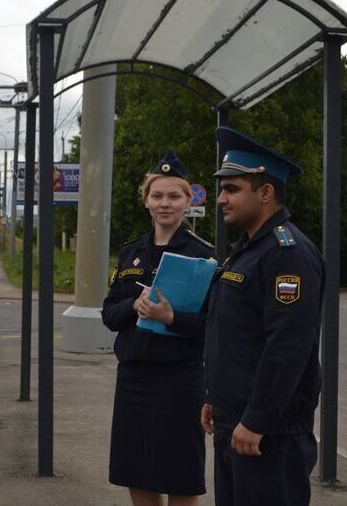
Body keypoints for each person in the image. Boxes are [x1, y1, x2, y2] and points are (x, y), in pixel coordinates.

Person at [201, 126, 325, 506]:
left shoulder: (287, 253)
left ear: (266, 192)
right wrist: (214, 397)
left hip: (267, 435)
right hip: (235, 424)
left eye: (232, 189)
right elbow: (232, 333)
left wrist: (256, 419)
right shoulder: (249, 250)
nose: (221, 198)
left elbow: (287, 346)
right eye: (222, 188)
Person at [102, 150, 214, 506]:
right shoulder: (131, 253)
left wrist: (171, 318)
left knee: (181, 476)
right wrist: (133, 305)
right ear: (146, 201)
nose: (165, 204)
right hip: (134, 378)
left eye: (173, 196)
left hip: (180, 381)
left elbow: (214, 325)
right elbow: (108, 313)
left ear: (187, 201)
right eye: (157, 196)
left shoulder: (203, 257)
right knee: (137, 471)